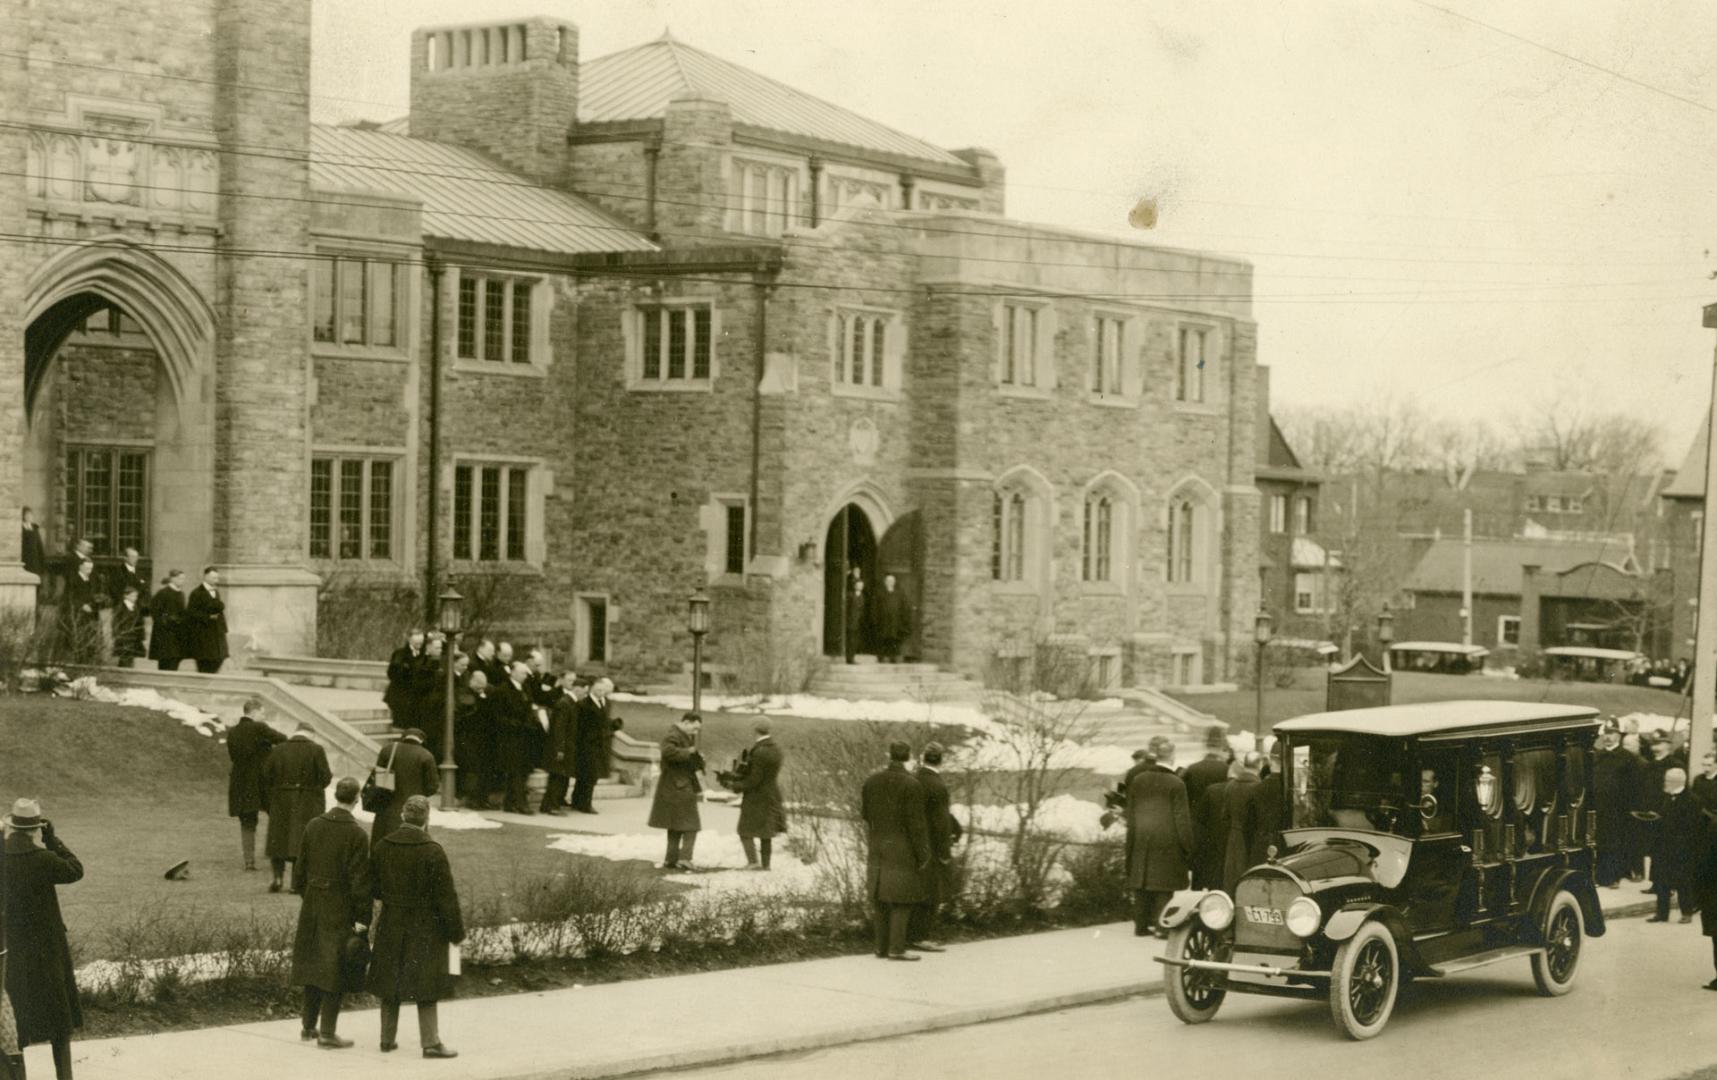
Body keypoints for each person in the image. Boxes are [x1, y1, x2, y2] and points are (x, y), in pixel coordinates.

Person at [369, 795, 463, 1060]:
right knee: (427, 983)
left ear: (402, 816)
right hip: (425, 924)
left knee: (390, 979)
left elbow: (374, 887)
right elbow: (447, 897)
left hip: (392, 920)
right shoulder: (433, 850)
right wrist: (456, 931)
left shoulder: (382, 846)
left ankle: (386, 1039)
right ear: (426, 819)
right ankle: (430, 1043)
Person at [2, 799, 82, 1080]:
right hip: (48, 948)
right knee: (59, 1020)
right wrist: (52, 838)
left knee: (17, 1017)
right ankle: (64, 1076)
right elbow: (75, 870)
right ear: (36, 828)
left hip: (14, 948)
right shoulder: (44, 859)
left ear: (11, 826)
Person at [290, 777, 371, 1050]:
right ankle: (327, 1033)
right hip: (340, 906)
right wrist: (363, 919)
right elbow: (360, 882)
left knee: (313, 962)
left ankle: (308, 1027)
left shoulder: (314, 825)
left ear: (335, 795)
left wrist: (311, 895)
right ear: (357, 799)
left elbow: (298, 873)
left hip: (313, 903)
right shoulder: (357, 834)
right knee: (335, 965)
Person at [861, 741, 931, 961]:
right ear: (908, 757)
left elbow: (865, 813)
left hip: (877, 843)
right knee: (902, 899)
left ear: (889, 755)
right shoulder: (911, 784)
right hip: (902, 847)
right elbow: (917, 825)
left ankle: (880, 948)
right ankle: (897, 948)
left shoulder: (871, 781)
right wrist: (923, 854)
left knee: (880, 896)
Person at [1126, 735, 1193, 938]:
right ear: (1171, 756)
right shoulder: (1176, 783)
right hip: (1167, 840)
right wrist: (1188, 847)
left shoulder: (1139, 780)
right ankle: (1162, 927)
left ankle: (1141, 926)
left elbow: (1131, 812)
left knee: (1142, 881)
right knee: (1164, 886)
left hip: (1141, 835)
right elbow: (1182, 819)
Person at [262, 724, 333, 894]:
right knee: (301, 840)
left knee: (278, 839)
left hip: (281, 799)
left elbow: (266, 774)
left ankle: (278, 878)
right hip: (308, 800)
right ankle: (296, 883)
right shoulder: (316, 749)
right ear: (310, 734)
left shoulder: (278, 749)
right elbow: (326, 777)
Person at [908, 741, 959, 951]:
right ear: (941, 760)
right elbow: (940, 821)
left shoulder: (912, 780)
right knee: (930, 892)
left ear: (923, 758)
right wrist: (945, 851)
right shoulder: (937, 786)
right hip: (931, 846)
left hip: (910, 844)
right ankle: (920, 937)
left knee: (912, 890)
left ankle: (907, 934)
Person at [228, 697, 285, 872]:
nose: (263, 715)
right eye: (262, 712)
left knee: (247, 822)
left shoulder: (233, 732)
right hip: (262, 782)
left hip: (240, 783)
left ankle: (249, 861)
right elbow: (283, 739)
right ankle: (276, 855)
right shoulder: (260, 727)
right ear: (253, 711)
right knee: (277, 816)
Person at [1645, 767, 1702, 924]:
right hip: (1663, 846)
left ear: (1677, 782)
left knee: (1683, 881)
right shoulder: (1664, 797)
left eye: (1668, 780)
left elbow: (1694, 826)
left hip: (1682, 848)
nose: (1665, 783)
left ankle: (1686, 913)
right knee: (1662, 881)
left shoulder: (1692, 800)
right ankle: (1661, 914)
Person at [649, 713, 705, 869]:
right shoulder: (673, 735)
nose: (695, 732)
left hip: (674, 784)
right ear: (686, 722)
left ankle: (671, 859)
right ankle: (685, 859)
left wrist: (695, 756)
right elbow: (667, 752)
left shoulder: (680, 734)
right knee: (691, 824)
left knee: (675, 824)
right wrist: (690, 752)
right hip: (679, 784)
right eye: (694, 728)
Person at [370, 729, 440, 849]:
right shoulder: (426, 756)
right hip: (414, 811)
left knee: (382, 848)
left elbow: (379, 779)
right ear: (421, 740)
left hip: (386, 810)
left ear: (403, 737)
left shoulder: (388, 750)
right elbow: (432, 787)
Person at [1593, 728, 1642, 888]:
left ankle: (1614, 877)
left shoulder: (1627, 758)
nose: (1608, 737)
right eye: (1605, 734)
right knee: (1599, 841)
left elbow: (1634, 786)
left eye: (1612, 734)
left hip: (1618, 810)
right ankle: (1600, 876)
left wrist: (1631, 808)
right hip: (1599, 807)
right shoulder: (1596, 756)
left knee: (1615, 843)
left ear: (1619, 736)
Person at [734, 721, 787, 871]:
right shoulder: (776, 749)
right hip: (772, 794)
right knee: (766, 832)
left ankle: (753, 862)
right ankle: (766, 865)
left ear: (755, 730)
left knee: (744, 830)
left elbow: (754, 779)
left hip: (756, 796)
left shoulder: (758, 751)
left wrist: (736, 785)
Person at [492, 662, 536, 815]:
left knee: (520, 771)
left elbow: (529, 708)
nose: (526, 676)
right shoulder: (503, 689)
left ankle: (510, 803)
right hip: (510, 737)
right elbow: (498, 715)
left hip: (524, 736)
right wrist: (515, 724)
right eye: (523, 673)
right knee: (515, 771)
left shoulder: (525, 689)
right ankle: (520, 803)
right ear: (514, 673)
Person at [573, 678, 620, 814]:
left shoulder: (606, 703)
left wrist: (613, 725)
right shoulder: (584, 704)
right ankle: (583, 803)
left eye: (603, 690)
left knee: (592, 776)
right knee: (587, 775)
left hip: (600, 744)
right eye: (598, 690)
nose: (601, 693)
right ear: (592, 689)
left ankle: (581, 801)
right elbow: (582, 726)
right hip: (588, 744)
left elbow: (604, 720)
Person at [1221, 752, 1266, 893]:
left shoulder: (1230, 786)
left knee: (1232, 877)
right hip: (1252, 840)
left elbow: (1224, 816)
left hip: (1234, 839)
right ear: (1259, 765)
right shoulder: (1259, 787)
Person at [454, 669, 493, 809]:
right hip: (468, 737)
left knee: (483, 769)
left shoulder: (483, 694)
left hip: (483, 738)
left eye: (483, 685)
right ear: (472, 682)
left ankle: (482, 798)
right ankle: (472, 798)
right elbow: (469, 713)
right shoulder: (465, 693)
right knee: (472, 769)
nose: (481, 688)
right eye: (479, 685)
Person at [540, 674, 577, 816]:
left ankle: (549, 805)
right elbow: (559, 729)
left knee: (558, 777)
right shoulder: (564, 703)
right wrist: (560, 748)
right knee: (557, 777)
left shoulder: (568, 702)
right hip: (560, 747)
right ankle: (551, 806)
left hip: (564, 746)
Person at [182, 566, 228, 674]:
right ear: (205, 577)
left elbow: (218, 608)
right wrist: (207, 617)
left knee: (219, 659)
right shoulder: (196, 593)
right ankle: (202, 685)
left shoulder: (216, 591)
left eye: (217, 578)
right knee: (205, 662)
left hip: (216, 632)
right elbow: (191, 613)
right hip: (204, 633)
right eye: (213, 578)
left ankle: (208, 681)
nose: (216, 580)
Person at [1249, 740, 1286, 867]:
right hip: (1285, 845)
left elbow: (1250, 822)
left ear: (1271, 760)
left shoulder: (1256, 788)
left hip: (1261, 845)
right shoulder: (1290, 789)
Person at [1181, 726, 1231, 812]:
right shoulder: (1228, 769)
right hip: (1219, 817)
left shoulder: (1192, 768)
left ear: (1206, 744)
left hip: (1197, 817)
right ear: (1221, 745)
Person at [61, 557, 101, 664]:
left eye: (91, 568)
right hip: (77, 615)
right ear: (80, 567)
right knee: (78, 641)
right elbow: (69, 597)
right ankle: (78, 663)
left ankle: (88, 663)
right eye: (87, 568)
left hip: (91, 615)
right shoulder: (73, 579)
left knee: (90, 641)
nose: (89, 571)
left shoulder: (93, 580)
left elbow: (96, 595)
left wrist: (96, 602)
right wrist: (81, 605)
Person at [384, 631, 425, 731]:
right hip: (401, 693)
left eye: (420, 643)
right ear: (410, 640)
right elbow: (392, 673)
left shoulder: (424, 655)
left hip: (415, 695)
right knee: (400, 724)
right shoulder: (400, 654)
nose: (419, 646)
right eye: (416, 643)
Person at [148, 570, 186, 671]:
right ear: (172, 579)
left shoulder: (181, 594)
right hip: (165, 633)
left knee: (175, 659)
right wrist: (165, 620)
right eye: (180, 578)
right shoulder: (163, 593)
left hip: (177, 632)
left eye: (183, 579)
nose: (182, 581)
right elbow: (154, 610)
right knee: (165, 660)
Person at [873, 573, 912, 663]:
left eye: (892, 581)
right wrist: (875, 618)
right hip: (883, 620)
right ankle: (881, 656)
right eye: (888, 581)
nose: (890, 582)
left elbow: (904, 606)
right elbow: (875, 606)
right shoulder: (880, 592)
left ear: (894, 582)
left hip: (895, 621)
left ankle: (892, 656)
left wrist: (903, 619)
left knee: (894, 638)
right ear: (885, 582)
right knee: (882, 638)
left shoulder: (899, 593)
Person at [110, 585, 145, 667]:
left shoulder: (136, 607)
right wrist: (118, 634)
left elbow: (140, 622)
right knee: (125, 657)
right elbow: (115, 622)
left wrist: (141, 636)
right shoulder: (120, 607)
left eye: (136, 596)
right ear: (126, 596)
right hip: (124, 636)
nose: (135, 598)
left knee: (131, 657)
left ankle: (128, 671)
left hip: (134, 636)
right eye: (132, 595)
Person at [107, 546, 148, 616]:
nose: (136, 559)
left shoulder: (141, 573)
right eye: (132, 557)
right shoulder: (117, 572)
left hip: (138, 609)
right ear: (125, 558)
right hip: (123, 610)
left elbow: (145, 590)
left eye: (137, 557)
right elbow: (114, 591)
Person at [844, 569, 868, 663]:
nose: (860, 587)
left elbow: (863, 610)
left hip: (858, 622)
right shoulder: (850, 595)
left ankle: (852, 657)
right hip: (850, 621)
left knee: (855, 641)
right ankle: (849, 658)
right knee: (850, 640)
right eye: (858, 585)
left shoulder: (863, 597)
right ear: (855, 586)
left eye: (861, 585)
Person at [19, 508, 45, 586]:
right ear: (23, 516)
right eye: (27, 515)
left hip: (35, 560)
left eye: (30, 515)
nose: (29, 517)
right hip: (25, 559)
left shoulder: (35, 528)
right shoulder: (20, 528)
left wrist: (42, 560)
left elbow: (39, 545)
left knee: (36, 582)